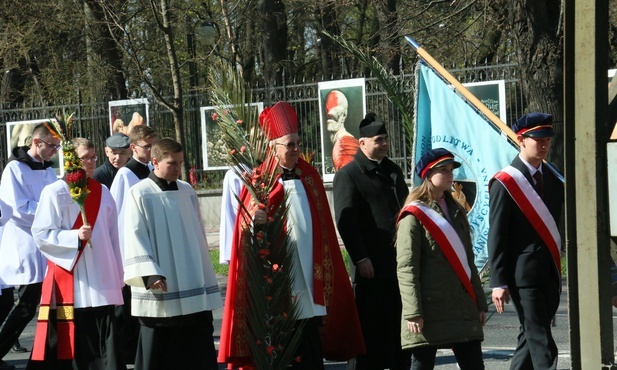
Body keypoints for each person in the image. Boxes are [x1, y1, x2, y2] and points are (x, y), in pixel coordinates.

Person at [218, 101, 365, 369]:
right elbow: (243, 229)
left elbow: (324, 229)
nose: (298, 150)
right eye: (290, 144)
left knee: (309, 344)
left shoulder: (310, 176)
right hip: (276, 282)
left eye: (298, 143)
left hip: (310, 278)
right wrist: (255, 223)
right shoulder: (258, 182)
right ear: (272, 147)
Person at [122, 138, 222, 370]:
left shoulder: (187, 191)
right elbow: (134, 235)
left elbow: (198, 236)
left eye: (180, 163)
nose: (178, 168)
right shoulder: (140, 192)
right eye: (172, 163)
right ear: (155, 162)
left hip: (191, 280)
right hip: (161, 281)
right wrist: (149, 274)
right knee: (160, 343)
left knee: (194, 340)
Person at [28, 138, 125, 370]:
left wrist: (118, 275)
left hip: (101, 275)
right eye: (85, 158)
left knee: (104, 334)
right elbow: (40, 233)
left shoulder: (102, 191)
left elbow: (114, 235)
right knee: (74, 335)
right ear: (70, 160)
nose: (91, 163)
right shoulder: (54, 192)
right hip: (72, 276)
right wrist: (73, 237)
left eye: (93, 157)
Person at [396, 148, 487, 370]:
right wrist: (413, 312)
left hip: (461, 306)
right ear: (428, 174)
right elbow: (407, 268)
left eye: (451, 170)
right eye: (443, 170)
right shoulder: (414, 216)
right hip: (429, 309)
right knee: (422, 365)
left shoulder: (457, 211)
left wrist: (479, 302)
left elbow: (468, 261)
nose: (450, 175)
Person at [333, 112, 411, 369]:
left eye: (386, 139)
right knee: (371, 337)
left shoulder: (392, 170)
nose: (385, 144)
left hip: (398, 266)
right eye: (379, 140)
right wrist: (360, 257)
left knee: (399, 335)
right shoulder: (349, 174)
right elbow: (346, 222)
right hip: (371, 269)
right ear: (362, 143)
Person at [488, 112, 564, 370]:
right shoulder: (507, 182)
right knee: (542, 343)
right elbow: (497, 233)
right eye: (537, 139)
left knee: (529, 339)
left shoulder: (554, 177)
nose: (544, 144)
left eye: (547, 139)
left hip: (549, 273)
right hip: (523, 277)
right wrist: (498, 281)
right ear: (521, 140)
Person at [0, 123, 61, 370]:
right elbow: (17, 208)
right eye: (52, 146)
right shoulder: (15, 168)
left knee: (47, 303)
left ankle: (50, 353)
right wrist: (49, 213)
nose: (54, 152)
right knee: (25, 306)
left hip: (47, 243)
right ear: (36, 142)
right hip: (24, 243)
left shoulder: (47, 171)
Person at [108, 124, 157, 365]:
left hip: (150, 243)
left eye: (153, 145)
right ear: (134, 147)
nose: (151, 150)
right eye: (147, 146)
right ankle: (125, 356)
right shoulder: (126, 175)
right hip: (131, 250)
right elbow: (119, 218)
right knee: (128, 310)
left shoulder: (150, 170)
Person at [325, 90, 359, 171]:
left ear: (344, 114)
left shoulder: (345, 146)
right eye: (327, 106)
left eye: (334, 106)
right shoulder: (342, 143)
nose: (329, 112)